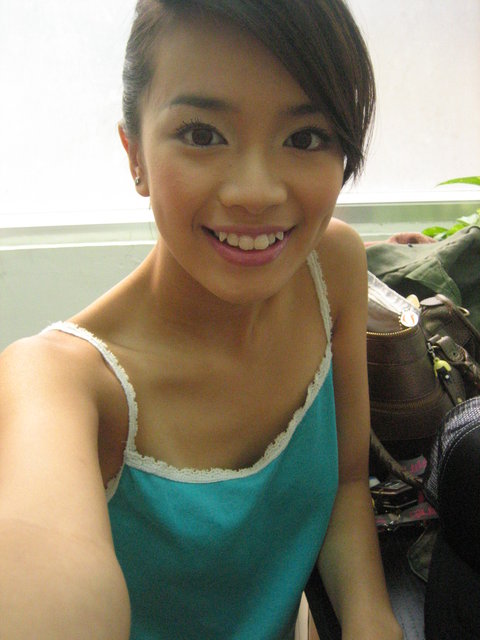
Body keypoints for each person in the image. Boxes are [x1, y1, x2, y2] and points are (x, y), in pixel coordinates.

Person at [0, 1, 403, 638]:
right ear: (134, 155)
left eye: (305, 138)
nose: (255, 192)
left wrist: (371, 621)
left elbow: (348, 485)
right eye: (201, 134)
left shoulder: (329, 269)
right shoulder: (61, 383)